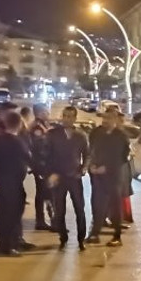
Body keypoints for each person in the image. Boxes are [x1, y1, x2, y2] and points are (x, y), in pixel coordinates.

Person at [87, 105, 131, 247]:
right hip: (97, 176)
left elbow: (123, 157)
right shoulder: (96, 133)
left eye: (109, 118)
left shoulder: (121, 136)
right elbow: (91, 150)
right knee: (97, 204)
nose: (105, 121)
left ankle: (117, 236)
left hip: (113, 176)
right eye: (104, 118)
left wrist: (106, 168)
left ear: (115, 120)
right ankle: (94, 233)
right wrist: (91, 166)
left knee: (115, 206)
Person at [47, 105, 90, 251]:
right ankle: (63, 238)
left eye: (70, 116)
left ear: (75, 118)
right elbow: (46, 156)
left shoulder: (80, 135)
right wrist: (50, 173)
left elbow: (87, 154)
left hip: (74, 177)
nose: (67, 119)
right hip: (59, 177)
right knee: (59, 210)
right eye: (65, 115)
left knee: (80, 208)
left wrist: (84, 168)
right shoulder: (53, 134)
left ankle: (81, 239)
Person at [0, 107, 31, 256]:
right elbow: (29, 158)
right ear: (19, 124)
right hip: (13, 182)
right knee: (12, 214)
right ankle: (6, 246)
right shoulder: (18, 142)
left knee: (2, 212)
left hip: (1, 180)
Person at [26, 105, 53, 231]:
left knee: (45, 193)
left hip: (43, 164)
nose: (48, 113)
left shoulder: (43, 124)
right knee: (44, 193)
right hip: (41, 165)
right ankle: (42, 220)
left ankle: (46, 219)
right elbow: (39, 147)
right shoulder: (37, 127)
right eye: (46, 111)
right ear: (40, 113)